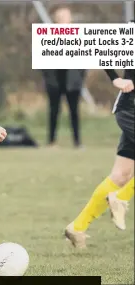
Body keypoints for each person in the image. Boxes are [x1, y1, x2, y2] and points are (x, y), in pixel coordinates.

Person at [64, 64, 134, 248]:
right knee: (121, 180)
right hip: (131, 108)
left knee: (121, 175)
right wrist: (115, 78)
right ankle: (121, 198)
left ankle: (77, 228)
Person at [41, 5, 86, 148]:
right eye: (60, 18)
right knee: (54, 111)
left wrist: (80, 77)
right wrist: (48, 78)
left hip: (72, 81)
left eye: (66, 17)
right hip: (55, 81)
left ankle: (77, 142)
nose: (64, 20)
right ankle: (51, 141)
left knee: (74, 111)